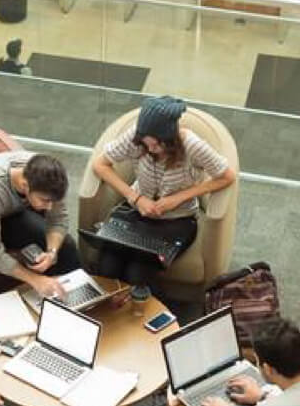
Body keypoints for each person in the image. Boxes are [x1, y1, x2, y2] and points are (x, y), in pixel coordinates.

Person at [89, 95, 237, 289]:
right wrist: (136, 197)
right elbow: (100, 165)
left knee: (137, 274)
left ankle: (137, 314)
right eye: (146, 144)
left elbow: (227, 176)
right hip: (136, 212)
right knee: (106, 266)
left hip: (177, 220)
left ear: (171, 139)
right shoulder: (137, 138)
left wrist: (178, 198)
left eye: (156, 145)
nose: (150, 149)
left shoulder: (192, 145)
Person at [0, 152, 82, 300]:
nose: (49, 207)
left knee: (66, 245)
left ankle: (73, 302)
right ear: (25, 186)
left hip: (9, 215)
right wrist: (35, 280)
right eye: (45, 201)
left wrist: (52, 252)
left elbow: (58, 219)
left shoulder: (49, 178)